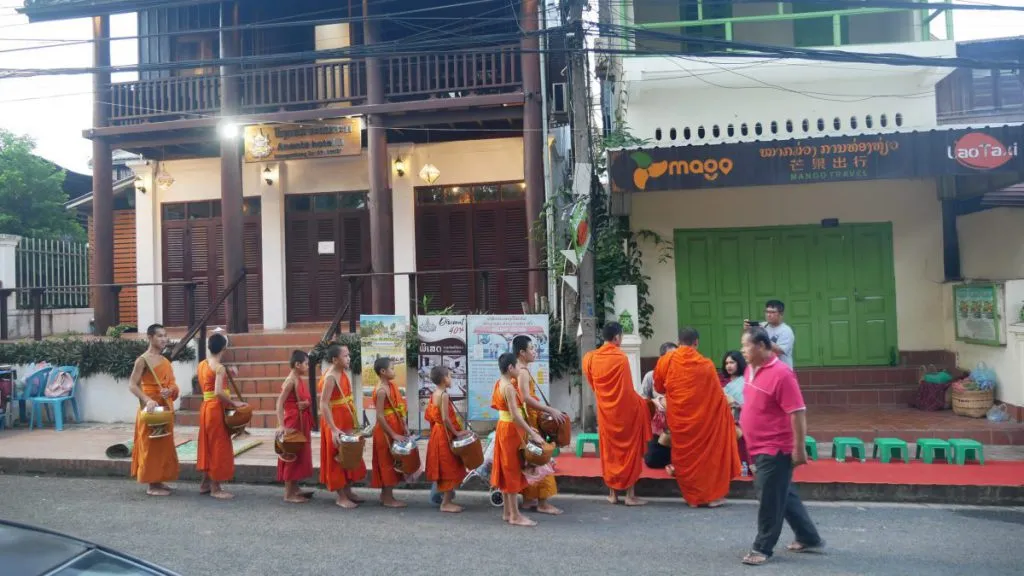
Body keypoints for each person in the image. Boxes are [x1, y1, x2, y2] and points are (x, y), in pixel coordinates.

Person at [740, 327, 823, 566]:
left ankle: (762, 548)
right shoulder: (749, 370)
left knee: (769, 497)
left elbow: (797, 413)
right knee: (782, 493)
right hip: (756, 445)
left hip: (775, 446)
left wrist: (799, 448)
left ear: (762, 346)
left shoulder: (782, 374)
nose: (743, 350)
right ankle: (808, 536)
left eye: (747, 346)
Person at [653, 327, 741, 508]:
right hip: (703, 419)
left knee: (684, 456)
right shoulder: (706, 364)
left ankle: (692, 497)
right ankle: (709, 497)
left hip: (679, 418)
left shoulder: (667, 360)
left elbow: (659, 387)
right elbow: (717, 395)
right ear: (696, 343)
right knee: (706, 457)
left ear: (679, 342)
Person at [582, 322, 652, 506]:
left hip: (605, 412)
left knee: (610, 452)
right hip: (624, 413)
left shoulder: (590, 358)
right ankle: (630, 495)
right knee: (629, 450)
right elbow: (627, 391)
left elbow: (593, 385)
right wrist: (642, 404)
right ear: (617, 338)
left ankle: (613, 494)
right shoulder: (620, 358)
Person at [491, 352, 546, 527]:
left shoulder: (500, 382)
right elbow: (515, 415)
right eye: (517, 366)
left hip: (504, 428)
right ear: (510, 368)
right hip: (510, 431)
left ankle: (507, 512)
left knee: (507, 469)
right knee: (512, 470)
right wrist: (532, 432)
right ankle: (515, 515)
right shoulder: (507, 387)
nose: (520, 369)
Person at [512, 335, 566, 515]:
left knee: (530, 460)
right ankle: (542, 503)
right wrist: (550, 410)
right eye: (531, 349)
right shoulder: (523, 372)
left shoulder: (517, 370)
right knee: (542, 458)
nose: (534, 352)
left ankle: (528, 499)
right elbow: (526, 399)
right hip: (529, 421)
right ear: (522, 352)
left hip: (524, 421)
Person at [127, 324, 180, 497]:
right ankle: (151, 484)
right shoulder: (143, 359)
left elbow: (173, 384)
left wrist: (170, 390)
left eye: (165, 335)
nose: (164, 339)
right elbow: (132, 385)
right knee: (150, 444)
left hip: (164, 406)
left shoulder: (165, 361)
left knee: (163, 443)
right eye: (159, 336)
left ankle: (159, 479)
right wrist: (147, 399)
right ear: (150, 337)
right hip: (150, 408)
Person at [196, 333, 245, 499]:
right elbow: (218, 392)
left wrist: (227, 370)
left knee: (208, 445)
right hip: (216, 408)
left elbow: (210, 387)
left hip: (206, 408)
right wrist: (234, 403)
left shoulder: (202, 364)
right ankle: (215, 487)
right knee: (218, 446)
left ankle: (205, 483)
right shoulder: (219, 368)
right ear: (224, 348)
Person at [318, 344, 365, 509]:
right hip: (334, 421)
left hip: (345, 418)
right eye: (345, 356)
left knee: (349, 453)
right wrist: (332, 429)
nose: (348, 358)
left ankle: (348, 490)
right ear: (335, 360)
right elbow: (323, 404)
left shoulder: (342, 373)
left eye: (348, 355)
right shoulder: (331, 377)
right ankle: (341, 496)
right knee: (337, 456)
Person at [425, 365, 471, 513]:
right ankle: (445, 503)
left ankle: (447, 498)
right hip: (444, 433)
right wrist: (457, 433)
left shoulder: (435, 393)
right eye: (450, 376)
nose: (451, 379)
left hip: (437, 433)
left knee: (445, 465)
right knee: (448, 466)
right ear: (444, 379)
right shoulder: (443, 395)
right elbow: (445, 419)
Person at [371, 357, 411, 508]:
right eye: (392, 368)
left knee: (393, 460)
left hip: (394, 426)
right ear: (383, 371)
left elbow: (398, 408)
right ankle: (388, 498)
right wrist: (393, 434)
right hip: (386, 431)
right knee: (388, 462)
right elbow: (380, 416)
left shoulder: (391, 386)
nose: (394, 371)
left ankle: (385, 495)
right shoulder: (382, 390)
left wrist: (403, 427)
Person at [276, 350, 314, 504]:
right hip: (292, 421)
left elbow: (303, 398)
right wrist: (282, 426)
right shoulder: (290, 381)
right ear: (297, 364)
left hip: (301, 420)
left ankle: (295, 488)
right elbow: (279, 403)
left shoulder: (298, 378)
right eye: (306, 364)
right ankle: (288, 493)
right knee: (291, 454)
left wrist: (306, 404)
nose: (307, 366)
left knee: (299, 453)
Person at [722, 350, 750, 472]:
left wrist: (736, 404)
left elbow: (748, 404)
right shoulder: (725, 384)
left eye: (732, 362)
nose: (729, 366)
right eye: (726, 363)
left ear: (739, 363)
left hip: (744, 420)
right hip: (727, 420)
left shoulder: (745, 381)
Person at [745, 300, 795, 369]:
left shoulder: (786, 330)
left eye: (772, 312)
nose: (768, 315)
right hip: (765, 369)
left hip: (781, 371)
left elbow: (779, 351)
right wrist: (747, 330)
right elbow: (749, 342)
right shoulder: (762, 325)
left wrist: (762, 335)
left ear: (781, 314)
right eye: (767, 312)